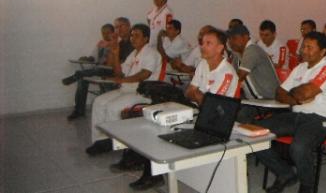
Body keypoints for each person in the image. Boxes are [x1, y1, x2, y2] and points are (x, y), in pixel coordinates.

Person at [128, 28, 239, 191]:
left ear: (220, 48)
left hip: (215, 120)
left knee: (164, 126)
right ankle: (146, 169)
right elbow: (189, 92)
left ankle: (152, 174)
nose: (203, 46)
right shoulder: (203, 64)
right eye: (202, 43)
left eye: (209, 43)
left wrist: (197, 94)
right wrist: (198, 95)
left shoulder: (227, 73)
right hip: (197, 110)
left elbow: (211, 105)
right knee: (154, 123)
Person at [255, 32, 326, 193]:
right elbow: (279, 93)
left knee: (299, 147)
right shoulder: (300, 68)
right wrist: (297, 99)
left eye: (310, 47)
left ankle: (307, 187)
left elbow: (306, 92)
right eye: (303, 46)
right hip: (296, 115)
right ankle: (285, 173)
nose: (303, 50)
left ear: (323, 52)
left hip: (321, 120)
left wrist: (298, 94)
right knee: (253, 133)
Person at [85, 24, 161, 156]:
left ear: (146, 38)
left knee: (113, 107)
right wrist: (115, 54)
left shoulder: (152, 53)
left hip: (142, 93)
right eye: (132, 35)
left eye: (137, 35)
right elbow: (120, 73)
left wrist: (123, 80)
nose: (133, 38)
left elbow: (144, 74)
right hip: (127, 89)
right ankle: (100, 141)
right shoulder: (133, 53)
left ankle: (114, 142)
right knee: (99, 102)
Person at [62, 19, 134, 120]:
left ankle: (78, 74)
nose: (118, 30)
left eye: (120, 26)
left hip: (124, 74)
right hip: (111, 69)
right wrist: (112, 51)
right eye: (116, 27)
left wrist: (115, 59)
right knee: (83, 79)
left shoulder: (134, 42)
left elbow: (126, 65)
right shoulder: (119, 44)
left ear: (129, 26)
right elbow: (110, 63)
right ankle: (79, 110)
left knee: (96, 72)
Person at [228, 24, 279, 122]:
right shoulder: (238, 54)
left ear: (245, 37)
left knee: (239, 115)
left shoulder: (253, 50)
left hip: (268, 100)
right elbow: (230, 76)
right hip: (254, 100)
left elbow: (238, 77)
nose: (230, 42)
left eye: (234, 38)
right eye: (229, 39)